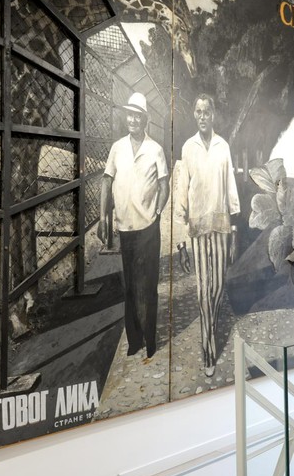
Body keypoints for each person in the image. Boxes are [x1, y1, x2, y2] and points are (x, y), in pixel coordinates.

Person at [174, 94, 240, 377]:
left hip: (222, 226)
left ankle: (210, 324)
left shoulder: (223, 146)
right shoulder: (188, 148)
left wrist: (234, 229)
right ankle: (208, 350)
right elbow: (181, 194)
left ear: (213, 115)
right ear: (195, 115)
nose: (202, 116)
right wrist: (180, 242)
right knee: (203, 290)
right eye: (198, 111)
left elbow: (230, 186)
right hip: (198, 230)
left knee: (218, 286)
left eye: (207, 111)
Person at [99, 92, 168, 362]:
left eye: (138, 116)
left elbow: (164, 184)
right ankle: (134, 340)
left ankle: (150, 339)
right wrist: (103, 217)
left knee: (148, 284)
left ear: (145, 119)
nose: (133, 120)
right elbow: (106, 181)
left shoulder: (155, 149)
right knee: (129, 285)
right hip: (125, 228)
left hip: (148, 227)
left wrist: (158, 211)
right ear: (125, 117)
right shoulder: (117, 148)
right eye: (130, 115)